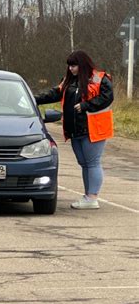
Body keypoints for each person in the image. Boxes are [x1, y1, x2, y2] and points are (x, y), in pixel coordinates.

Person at [35, 50, 114, 209]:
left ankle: (92, 197)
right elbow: (54, 94)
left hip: (93, 128)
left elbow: (107, 97)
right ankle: (88, 196)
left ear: (82, 64)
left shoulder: (100, 79)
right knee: (84, 163)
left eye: (74, 65)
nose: (71, 68)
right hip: (75, 129)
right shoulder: (69, 81)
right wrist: (32, 98)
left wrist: (86, 105)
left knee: (92, 163)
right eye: (69, 65)